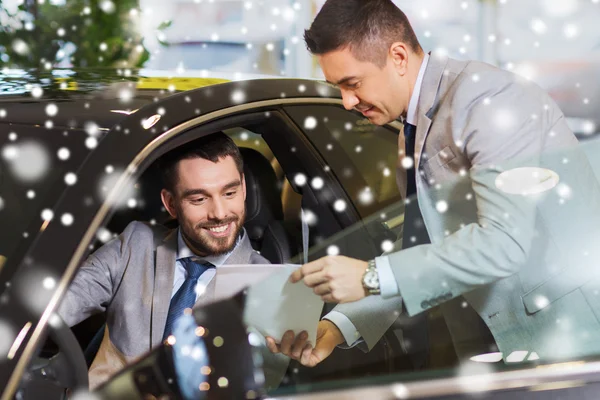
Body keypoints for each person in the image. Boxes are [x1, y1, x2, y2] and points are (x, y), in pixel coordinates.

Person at [268, 0, 600, 368]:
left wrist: (370, 276)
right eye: (338, 87)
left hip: (565, 342)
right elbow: (422, 241)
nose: (346, 102)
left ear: (397, 57)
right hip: (494, 347)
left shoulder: (490, 101)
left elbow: (504, 242)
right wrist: (337, 327)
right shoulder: (411, 127)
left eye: (352, 83)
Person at [58, 132, 270, 388]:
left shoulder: (267, 283)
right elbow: (57, 303)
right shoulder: (136, 243)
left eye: (229, 193)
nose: (220, 213)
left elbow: (261, 383)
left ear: (244, 188)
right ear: (170, 203)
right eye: (199, 199)